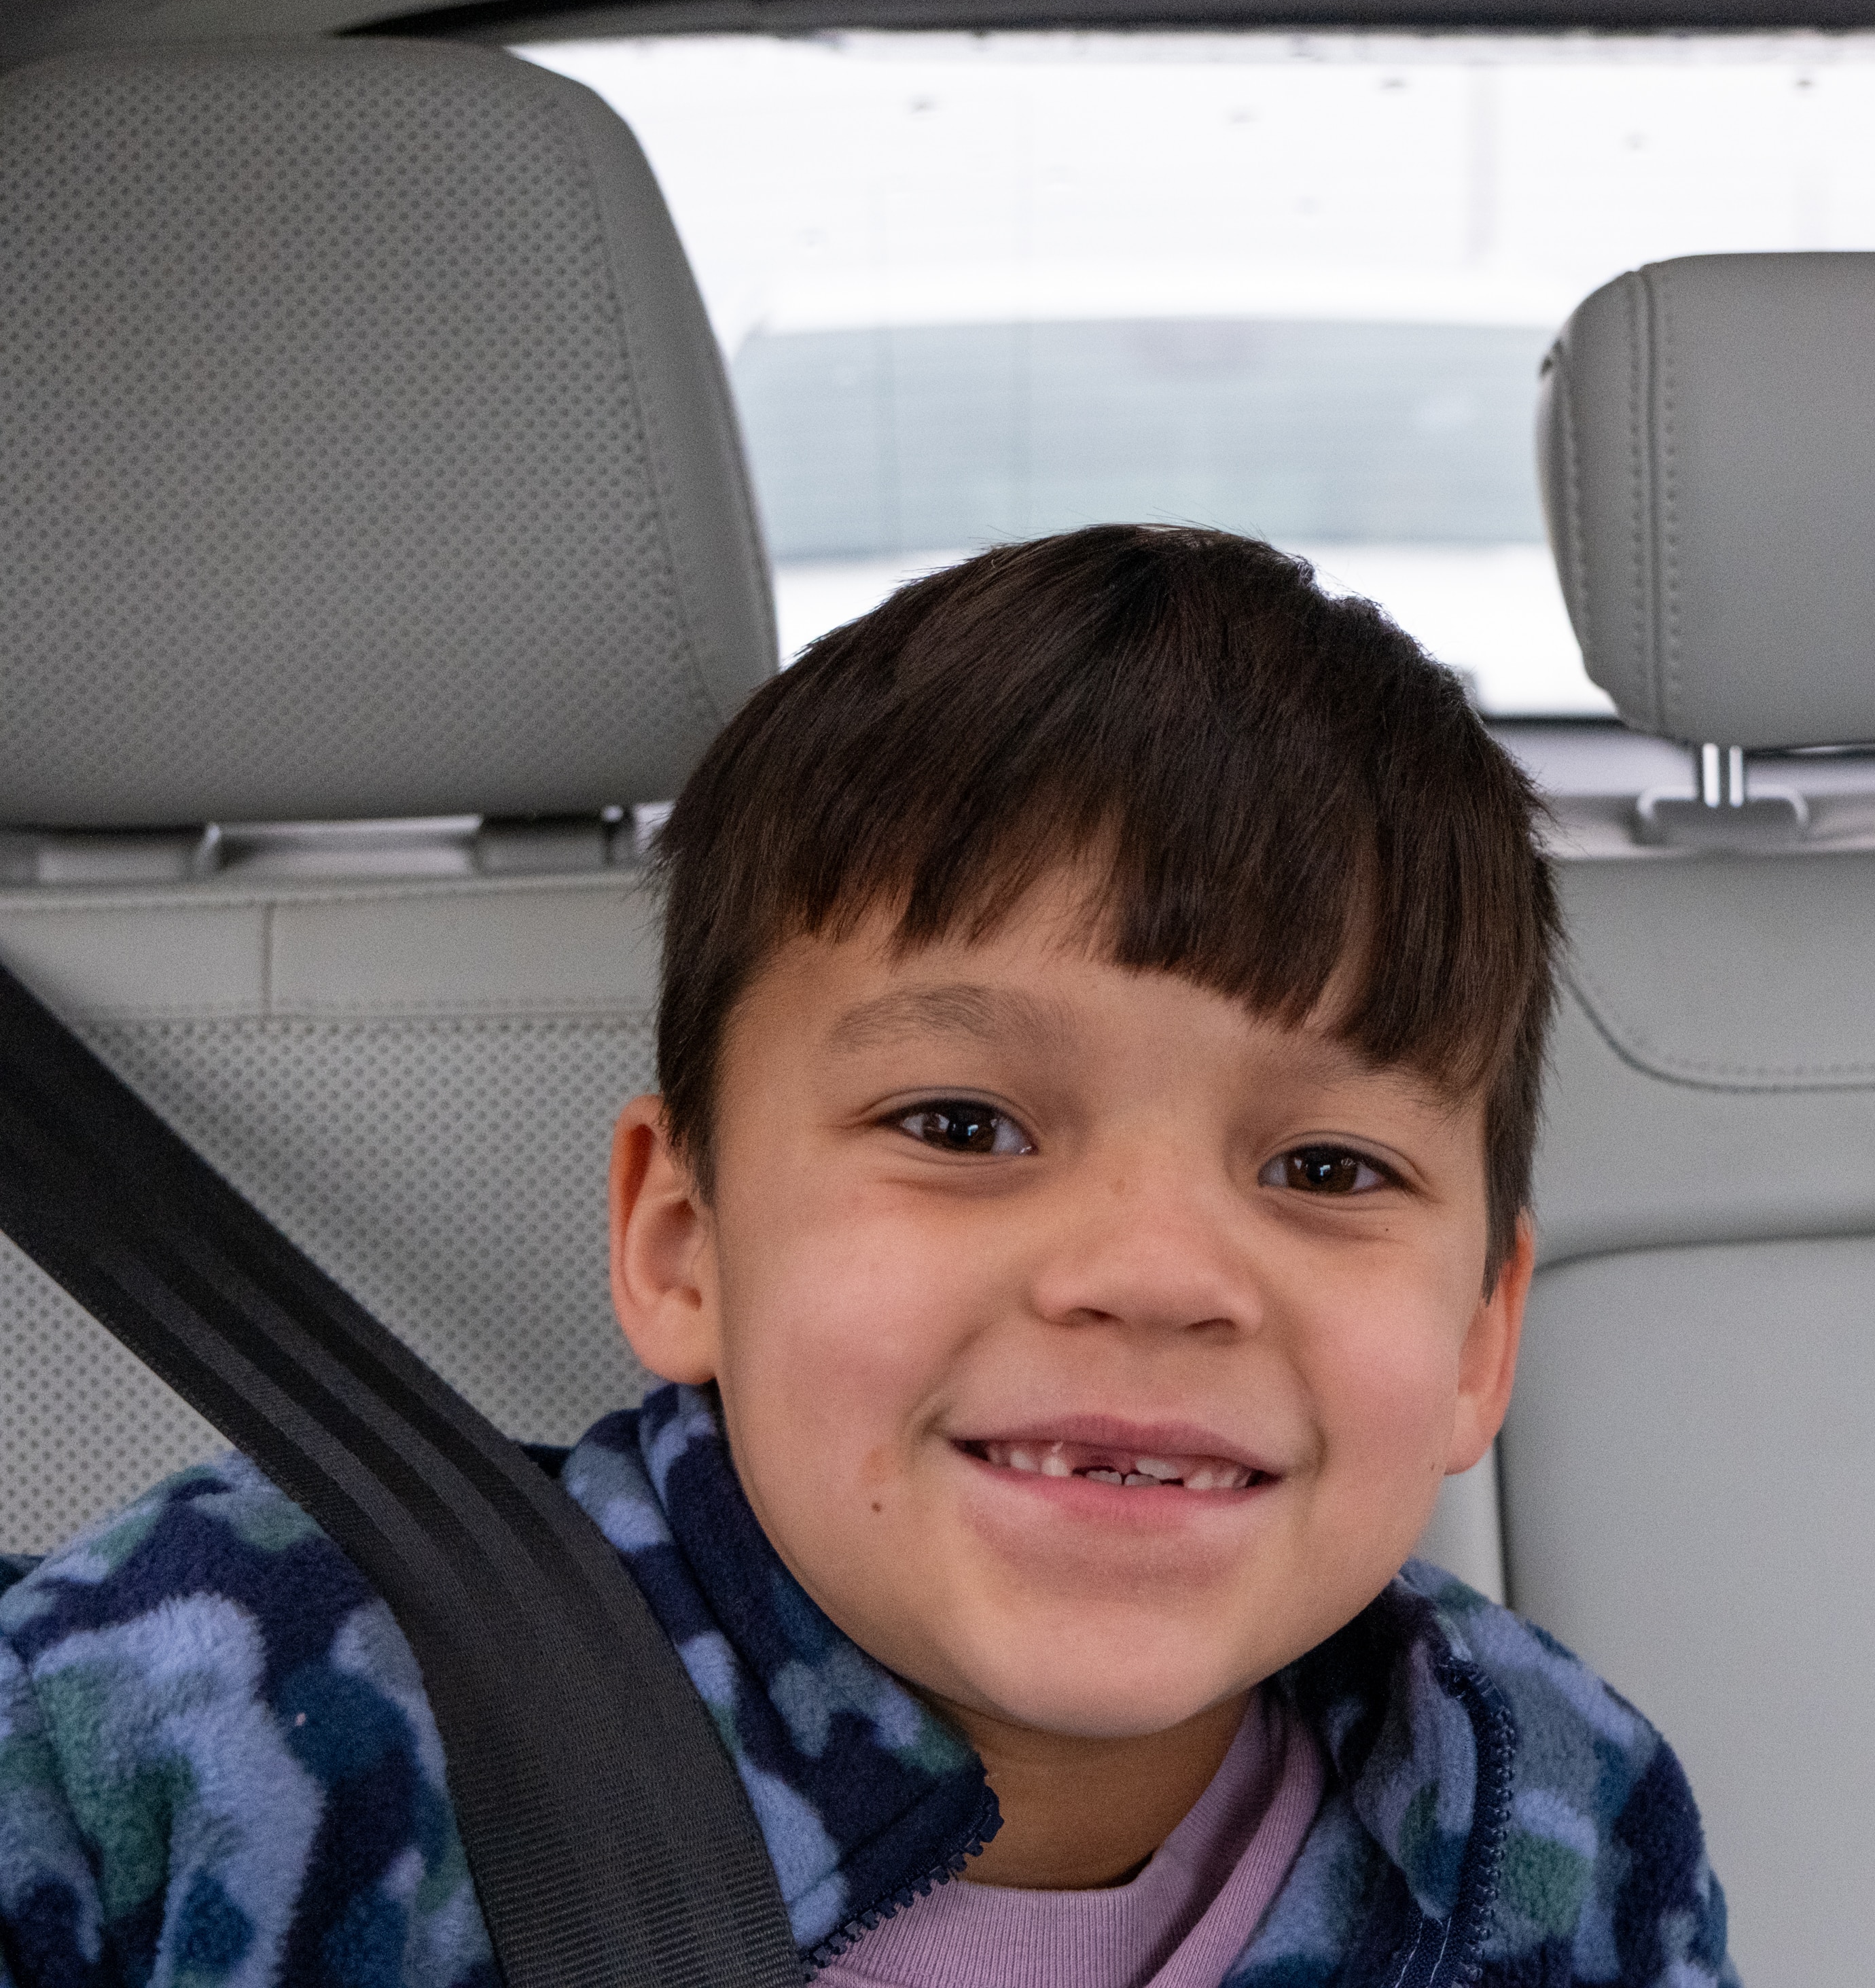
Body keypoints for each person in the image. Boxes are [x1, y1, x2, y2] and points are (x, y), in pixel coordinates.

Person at [0, 526, 1737, 1988]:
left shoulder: (1546, 1821)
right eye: (963, 1128)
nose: (1154, 1272)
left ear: (1474, 1345)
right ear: (683, 1243)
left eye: (1328, 1164)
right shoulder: (218, 1695)